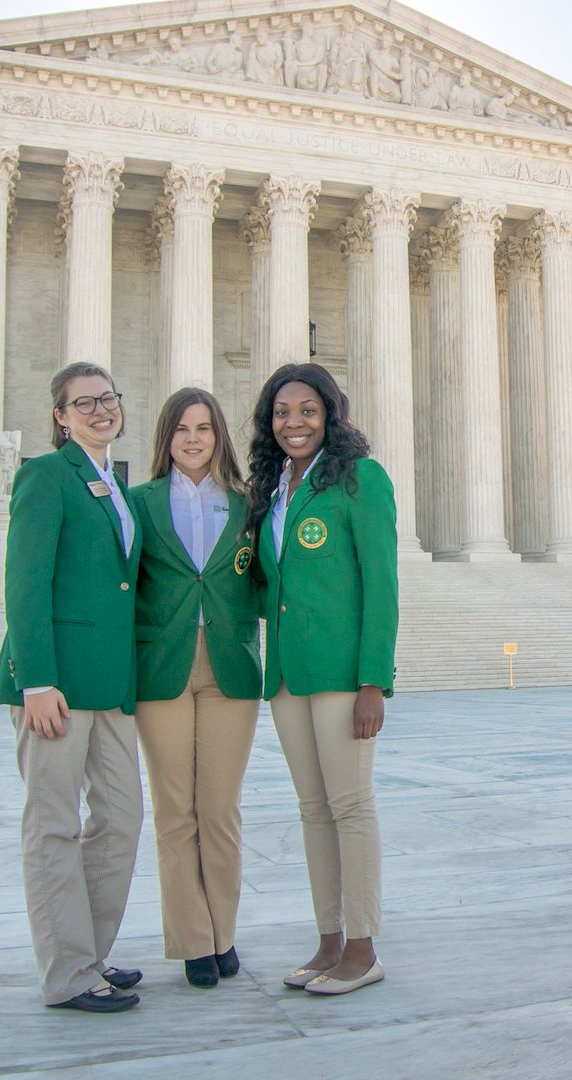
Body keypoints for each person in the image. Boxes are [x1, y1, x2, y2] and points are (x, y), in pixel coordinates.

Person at [0, 361, 144, 1013]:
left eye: (108, 398)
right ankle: (68, 974)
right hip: (54, 686)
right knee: (52, 824)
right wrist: (37, 680)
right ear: (60, 416)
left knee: (122, 820)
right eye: (84, 403)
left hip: (109, 685)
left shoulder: (118, 486)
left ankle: (90, 954)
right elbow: (25, 583)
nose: (99, 410)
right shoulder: (46, 475)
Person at [246, 362, 397, 996]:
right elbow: (268, 583)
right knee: (313, 812)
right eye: (282, 413)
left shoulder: (361, 479)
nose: (294, 422)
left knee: (351, 807)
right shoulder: (275, 489)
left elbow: (381, 584)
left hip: (341, 673)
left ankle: (362, 949)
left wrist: (373, 681)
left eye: (307, 410)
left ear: (331, 415)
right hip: (286, 674)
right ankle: (328, 941)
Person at [130, 388, 262, 988]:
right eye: (181, 428)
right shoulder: (140, 503)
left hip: (229, 667)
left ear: (218, 436)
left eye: (204, 428)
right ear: (166, 437)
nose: (193, 438)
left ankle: (223, 932)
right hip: (163, 667)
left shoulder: (246, 504)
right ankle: (192, 942)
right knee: (174, 810)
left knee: (220, 810)